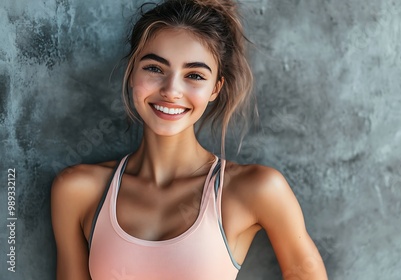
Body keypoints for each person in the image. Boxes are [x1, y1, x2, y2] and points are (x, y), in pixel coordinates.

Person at [51, 0, 328, 279]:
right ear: (132, 71)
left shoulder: (255, 189)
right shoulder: (77, 190)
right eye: (155, 68)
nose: (171, 91)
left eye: (194, 75)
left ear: (215, 89)